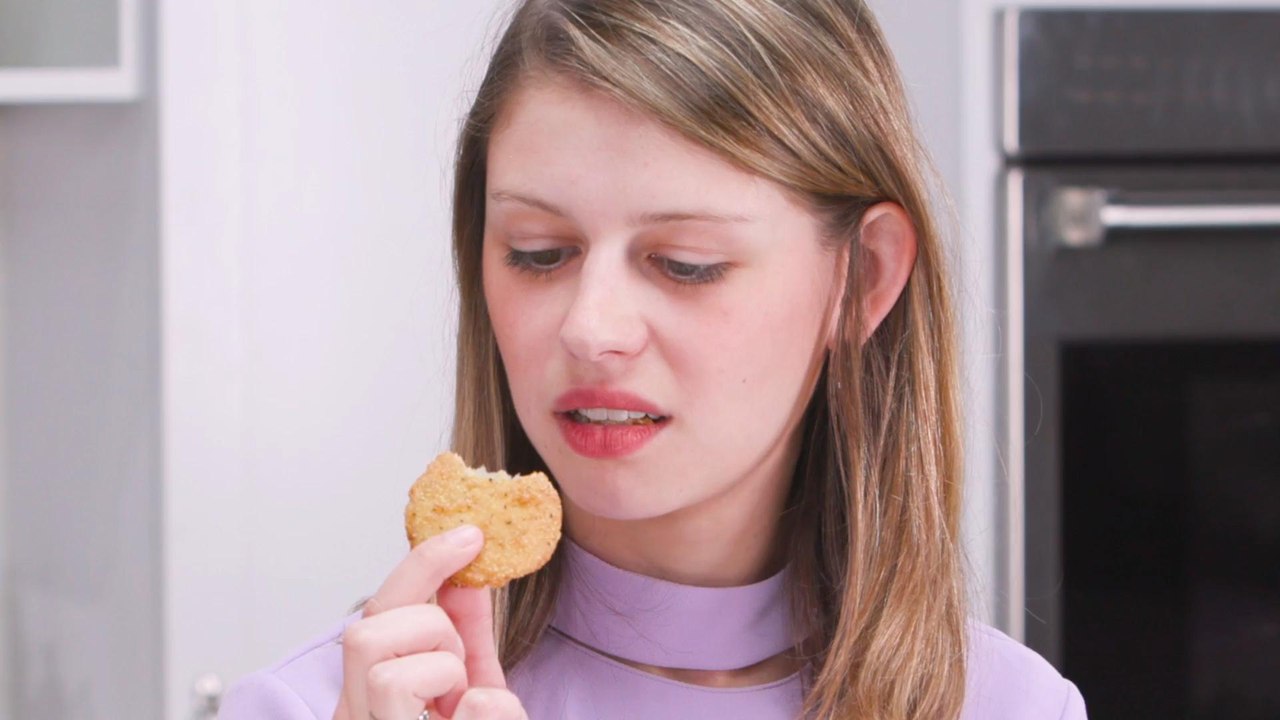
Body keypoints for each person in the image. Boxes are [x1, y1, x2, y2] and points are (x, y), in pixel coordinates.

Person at [220, 0, 1087, 718]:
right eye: (538, 252)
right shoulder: (313, 707)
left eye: (685, 264)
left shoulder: (1014, 708)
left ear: (862, 279)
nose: (591, 329)